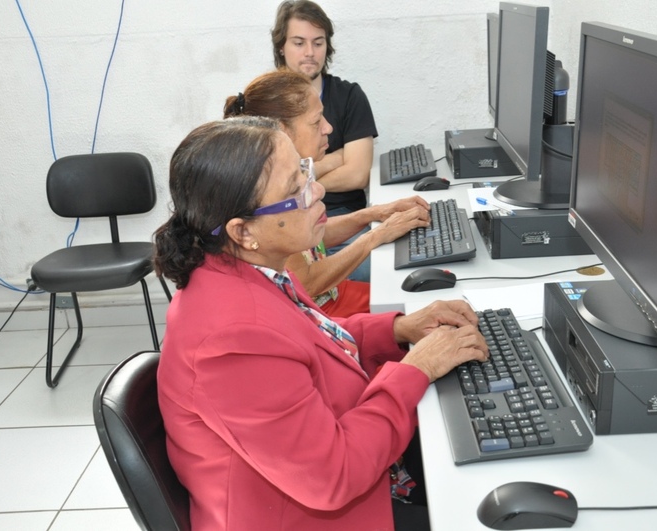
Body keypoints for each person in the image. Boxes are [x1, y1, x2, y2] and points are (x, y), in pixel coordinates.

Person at [153, 116, 489, 530]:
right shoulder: (231, 340)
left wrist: (396, 329)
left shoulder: (245, 268)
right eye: (294, 190)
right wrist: (417, 368)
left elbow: (309, 338)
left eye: (304, 172)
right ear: (243, 231)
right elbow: (333, 477)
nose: (317, 191)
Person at [224, 70, 429, 318]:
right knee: (415, 304)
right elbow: (307, 283)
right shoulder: (270, 192)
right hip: (317, 311)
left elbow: (313, 238)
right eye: (316, 121)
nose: (328, 127)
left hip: (331, 295)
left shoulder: (288, 173)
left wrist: (373, 214)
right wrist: (377, 235)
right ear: (282, 131)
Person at [272, 0, 377, 280]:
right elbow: (273, 191)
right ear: (281, 46)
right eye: (299, 43)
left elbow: (358, 174)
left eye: (318, 43)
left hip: (345, 220)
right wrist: (333, 160)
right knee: (380, 273)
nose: (310, 52)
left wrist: (300, 181)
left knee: (390, 261)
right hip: (289, 230)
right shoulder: (267, 103)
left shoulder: (349, 96)